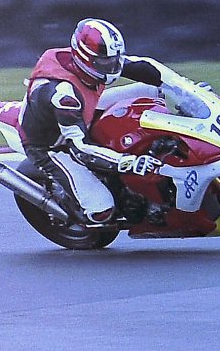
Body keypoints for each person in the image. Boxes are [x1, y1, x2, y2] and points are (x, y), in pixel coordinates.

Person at [19, 18, 188, 224]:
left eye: (115, 59)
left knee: (154, 91)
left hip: (84, 110)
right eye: (106, 62)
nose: (114, 66)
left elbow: (145, 66)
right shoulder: (63, 96)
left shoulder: (97, 63)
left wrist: (185, 89)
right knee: (101, 211)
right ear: (85, 59)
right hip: (53, 144)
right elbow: (80, 149)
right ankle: (67, 200)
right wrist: (130, 163)